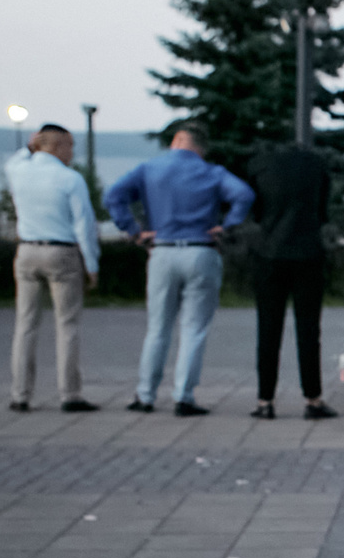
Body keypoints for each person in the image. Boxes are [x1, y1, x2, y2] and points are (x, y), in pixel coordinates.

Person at [108, 123, 254, 416]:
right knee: (194, 329)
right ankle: (183, 396)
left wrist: (134, 230)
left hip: (162, 251)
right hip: (202, 250)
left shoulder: (149, 168)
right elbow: (244, 195)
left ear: (176, 141)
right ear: (201, 147)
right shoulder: (212, 172)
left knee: (157, 328)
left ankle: (145, 395)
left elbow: (113, 196)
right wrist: (227, 225)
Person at [5, 123, 99, 413]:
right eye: (69, 146)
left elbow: (15, 160)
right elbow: (84, 224)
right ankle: (69, 393)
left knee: (25, 324)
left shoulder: (17, 171)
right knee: (67, 324)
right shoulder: (70, 179)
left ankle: (20, 394)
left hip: (27, 250)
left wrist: (30, 145)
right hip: (61, 252)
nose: (72, 153)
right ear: (57, 146)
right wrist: (91, 263)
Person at [246, 141, 335, 422]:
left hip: (270, 251)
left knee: (268, 328)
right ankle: (313, 398)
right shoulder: (316, 166)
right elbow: (322, 211)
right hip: (308, 252)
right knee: (309, 329)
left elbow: (256, 210)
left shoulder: (259, 166)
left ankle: (265, 400)